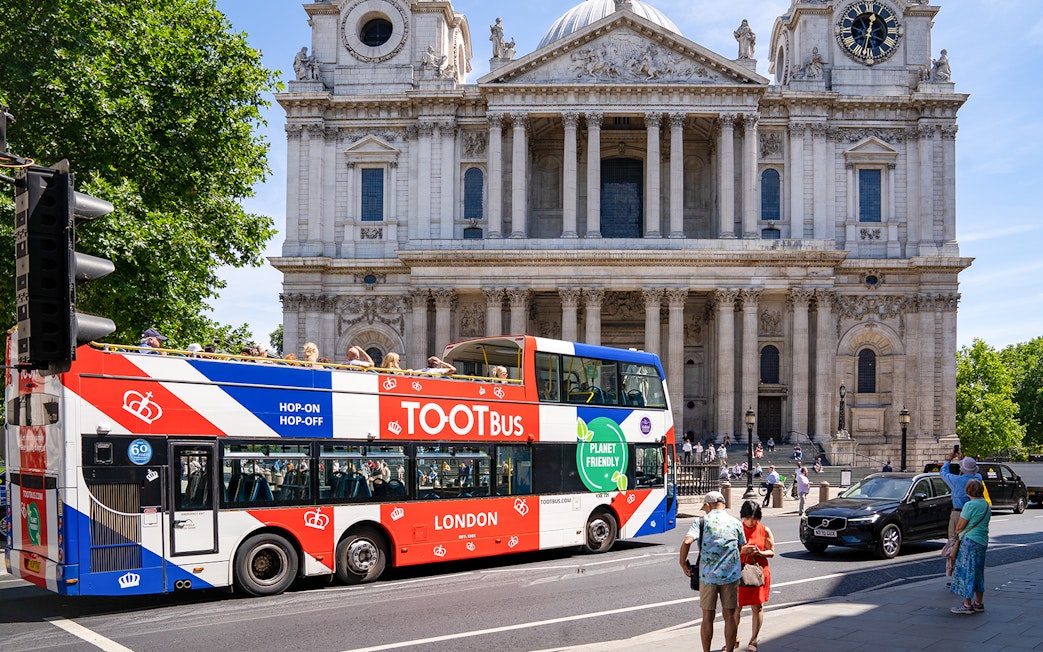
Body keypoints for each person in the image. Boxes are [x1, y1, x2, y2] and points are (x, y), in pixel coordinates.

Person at [679, 491, 745, 652]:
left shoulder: (702, 522)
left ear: (708, 505)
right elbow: (741, 548)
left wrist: (683, 563)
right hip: (730, 576)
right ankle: (729, 650)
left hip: (708, 577)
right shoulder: (735, 522)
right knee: (729, 616)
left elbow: (687, 541)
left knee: (707, 617)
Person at [734, 501, 775, 652]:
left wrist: (759, 553)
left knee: (757, 607)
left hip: (758, 572)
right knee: (735, 607)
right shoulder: (737, 529)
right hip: (740, 570)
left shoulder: (765, 530)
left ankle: (753, 640)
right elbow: (728, 552)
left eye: (755, 518)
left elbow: (771, 552)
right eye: (749, 518)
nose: (752, 522)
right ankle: (733, 637)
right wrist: (742, 551)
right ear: (743, 517)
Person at [949, 479, 990, 614]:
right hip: (982, 541)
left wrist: (957, 532)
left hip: (969, 541)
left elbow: (960, 526)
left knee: (967, 572)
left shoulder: (969, 505)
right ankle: (978, 603)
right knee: (978, 572)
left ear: (968, 491)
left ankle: (967, 605)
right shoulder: (986, 505)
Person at [938, 450, 983, 545]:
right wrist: (962, 461)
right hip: (974, 512)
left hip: (959, 512)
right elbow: (968, 471)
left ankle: (954, 558)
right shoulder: (978, 478)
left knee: (954, 541)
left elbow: (943, 472)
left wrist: (949, 459)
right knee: (970, 540)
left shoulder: (957, 480)